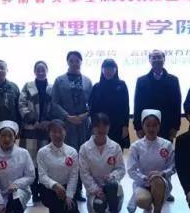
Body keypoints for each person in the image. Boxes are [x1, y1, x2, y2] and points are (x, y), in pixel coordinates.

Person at [133, 49, 182, 202]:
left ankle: (166, 189)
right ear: (149, 60)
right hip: (147, 126)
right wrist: (138, 126)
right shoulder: (141, 80)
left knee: (166, 157)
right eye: (153, 57)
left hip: (167, 126)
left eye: (159, 57)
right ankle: (146, 185)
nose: (156, 60)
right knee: (148, 158)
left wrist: (176, 126)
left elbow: (177, 103)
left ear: (164, 59)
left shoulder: (173, 80)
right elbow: (137, 103)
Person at [52, 51, 93, 202]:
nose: (74, 63)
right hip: (66, 125)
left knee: (82, 157)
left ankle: (79, 190)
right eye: (71, 60)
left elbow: (92, 103)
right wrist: (68, 117)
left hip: (83, 125)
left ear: (81, 62)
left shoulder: (87, 81)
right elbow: (55, 103)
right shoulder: (59, 80)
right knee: (67, 157)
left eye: (77, 60)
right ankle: (67, 189)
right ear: (67, 62)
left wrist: (84, 115)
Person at [126, 109, 175, 213]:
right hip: (142, 183)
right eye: (148, 125)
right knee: (142, 200)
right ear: (143, 126)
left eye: (154, 125)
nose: (151, 129)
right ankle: (147, 207)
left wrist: (162, 174)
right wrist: (144, 178)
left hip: (162, 183)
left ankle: (157, 212)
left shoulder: (167, 145)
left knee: (157, 181)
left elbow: (173, 166)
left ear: (159, 126)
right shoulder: (136, 146)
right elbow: (131, 170)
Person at [79, 113, 126, 213]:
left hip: (112, 188)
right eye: (97, 126)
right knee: (98, 205)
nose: (101, 129)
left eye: (104, 126)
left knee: (112, 185)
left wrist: (112, 176)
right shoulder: (84, 148)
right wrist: (96, 190)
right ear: (92, 128)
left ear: (108, 127)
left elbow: (121, 169)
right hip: (94, 190)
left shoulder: (115, 147)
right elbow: (84, 173)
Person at [37, 119, 81, 213]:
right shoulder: (42, 152)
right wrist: (55, 186)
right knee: (52, 200)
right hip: (49, 189)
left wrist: (69, 196)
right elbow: (42, 176)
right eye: (54, 132)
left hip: (66, 188)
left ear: (65, 132)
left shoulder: (72, 152)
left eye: (60, 131)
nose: (57, 135)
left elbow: (73, 176)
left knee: (71, 209)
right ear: (49, 133)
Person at [19, 60, 53, 203]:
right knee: (31, 162)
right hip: (30, 130)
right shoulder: (28, 86)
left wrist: (47, 122)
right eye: (38, 70)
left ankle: (43, 191)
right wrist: (34, 121)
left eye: (43, 69)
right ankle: (34, 193)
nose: (40, 72)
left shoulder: (52, 88)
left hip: (47, 130)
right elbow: (22, 104)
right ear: (34, 71)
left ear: (47, 71)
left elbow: (55, 105)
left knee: (44, 161)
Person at [89, 58, 130, 150]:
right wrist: (94, 126)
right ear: (102, 70)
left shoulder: (122, 85)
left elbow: (126, 107)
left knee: (116, 151)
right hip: (100, 126)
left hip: (118, 126)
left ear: (116, 70)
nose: (108, 71)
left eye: (111, 68)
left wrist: (125, 126)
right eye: (106, 68)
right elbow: (92, 109)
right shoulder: (96, 87)